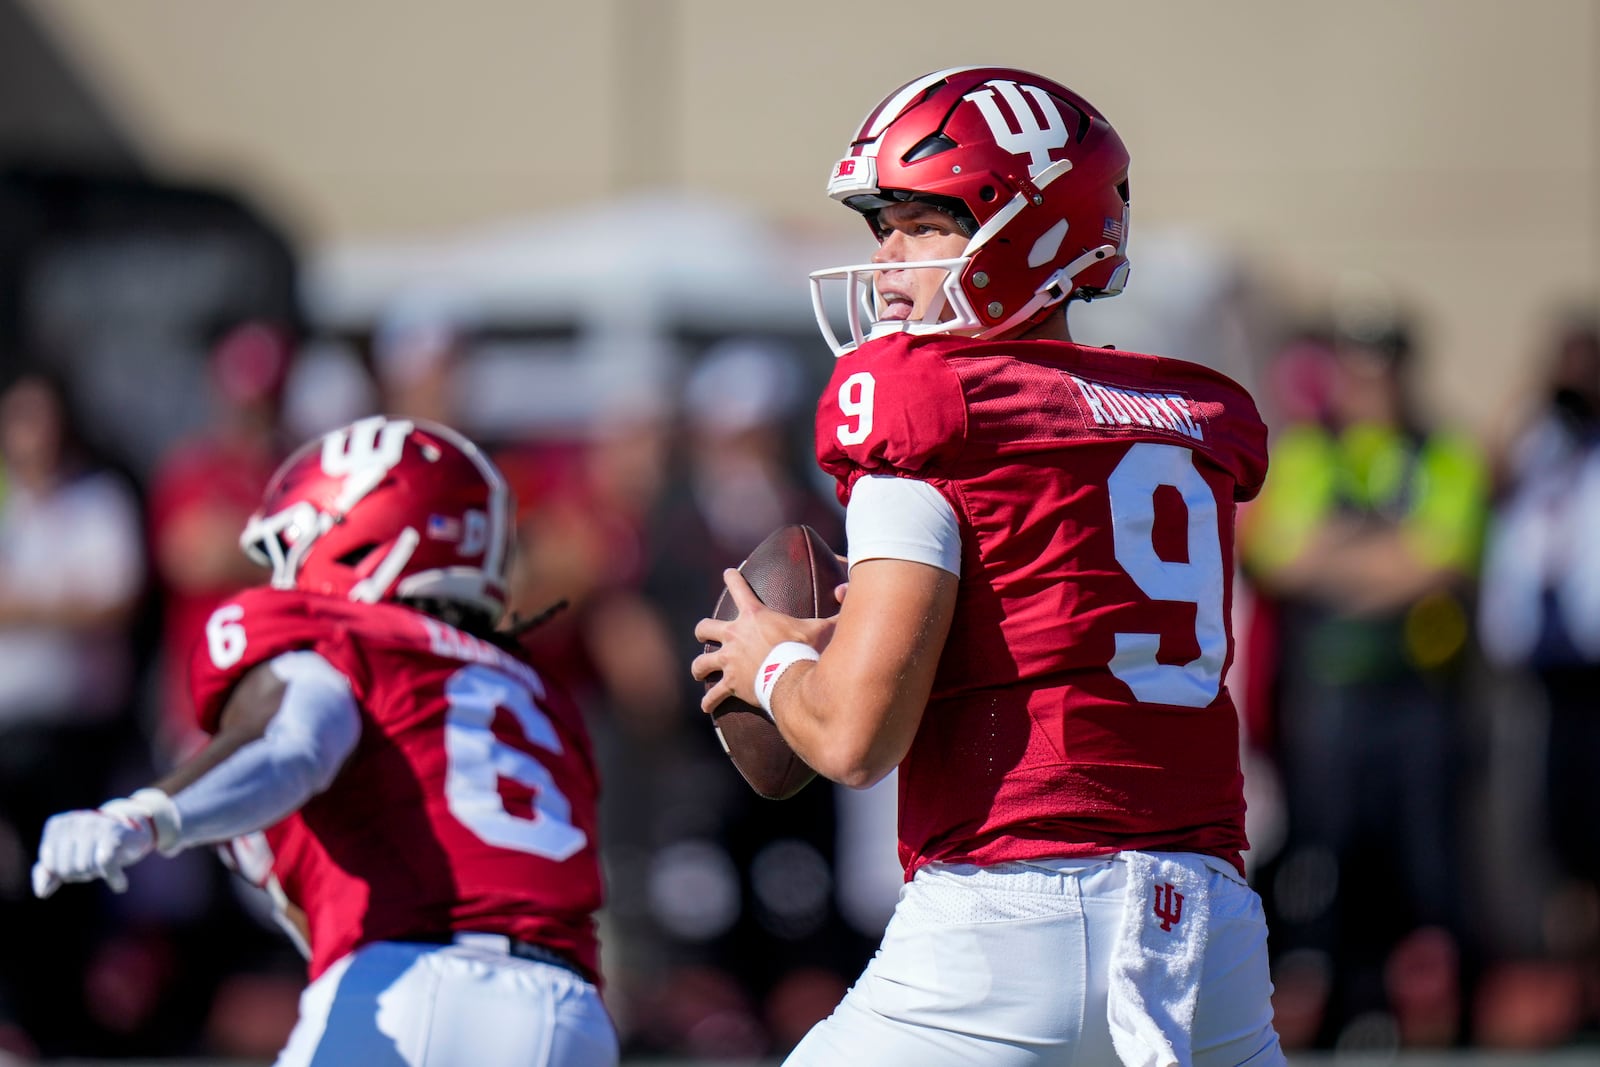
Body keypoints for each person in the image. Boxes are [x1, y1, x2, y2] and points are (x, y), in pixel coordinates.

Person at [693, 66, 1284, 1066]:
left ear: (1031, 232)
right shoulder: (1186, 414)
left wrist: (772, 663)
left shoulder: (926, 405)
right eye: (881, 224)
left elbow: (852, 735)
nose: (885, 258)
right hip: (1204, 926)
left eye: (923, 223)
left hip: (1011, 914)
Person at [33, 414, 619, 1067]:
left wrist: (143, 816)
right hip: (574, 1012)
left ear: (357, 533)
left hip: (418, 983)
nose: (279, 575)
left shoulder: (346, 638)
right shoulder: (536, 695)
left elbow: (292, 745)